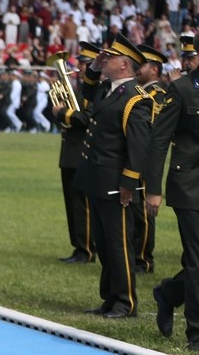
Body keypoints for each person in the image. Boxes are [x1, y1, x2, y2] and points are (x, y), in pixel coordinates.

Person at [75, 33, 151, 319]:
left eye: (109, 57)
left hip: (116, 183)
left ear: (124, 64)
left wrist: (128, 183)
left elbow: (138, 147)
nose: (103, 59)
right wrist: (93, 69)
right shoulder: (109, 90)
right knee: (104, 244)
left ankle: (125, 301)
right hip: (96, 178)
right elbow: (88, 92)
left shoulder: (135, 98)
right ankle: (109, 298)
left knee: (119, 244)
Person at [146, 25, 199, 354]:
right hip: (190, 186)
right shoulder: (182, 89)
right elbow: (158, 141)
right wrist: (153, 189)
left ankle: (169, 294)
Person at [51, 41, 99, 264]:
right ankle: (78, 246)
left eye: (85, 64)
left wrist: (63, 112)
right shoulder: (78, 89)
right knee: (72, 203)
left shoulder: (96, 90)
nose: (80, 68)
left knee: (82, 205)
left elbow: (86, 119)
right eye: (80, 64)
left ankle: (87, 249)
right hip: (69, 151)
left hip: (82, 151)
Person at [132, 43, 167, 274]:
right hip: (135, 157)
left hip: (146, 158)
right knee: (135, 211)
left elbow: (155, 130)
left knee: (144, 214)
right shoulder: (141, 92)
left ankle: (144, 258)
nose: (138, 68)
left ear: (154, 69)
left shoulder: (159, 95)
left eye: (142, 64)